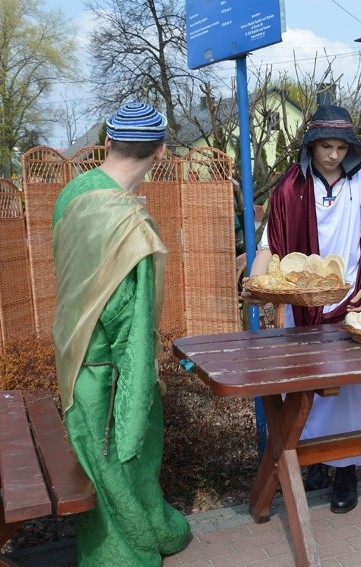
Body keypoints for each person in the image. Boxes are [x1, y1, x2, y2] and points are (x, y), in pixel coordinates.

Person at [52, 102, 191, 565]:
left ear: (107, 142)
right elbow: (129, 331)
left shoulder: (73, 194)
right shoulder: (131, 229)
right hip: (110, 375)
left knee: (91, 462)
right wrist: (138, 407)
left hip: (71, 358)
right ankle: (124, 550)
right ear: (162, 151)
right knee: (120, 458)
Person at [248, 104, 361, 514]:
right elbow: (268, 247)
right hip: (299, 306)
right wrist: (257, 285)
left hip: (348, 304)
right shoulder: (289, 186)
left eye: (341, 147)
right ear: (311, 144)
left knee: (346, 393)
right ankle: (313, 465)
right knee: (302, 390)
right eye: (326, 146)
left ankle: (346, 470)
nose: (333, 155)